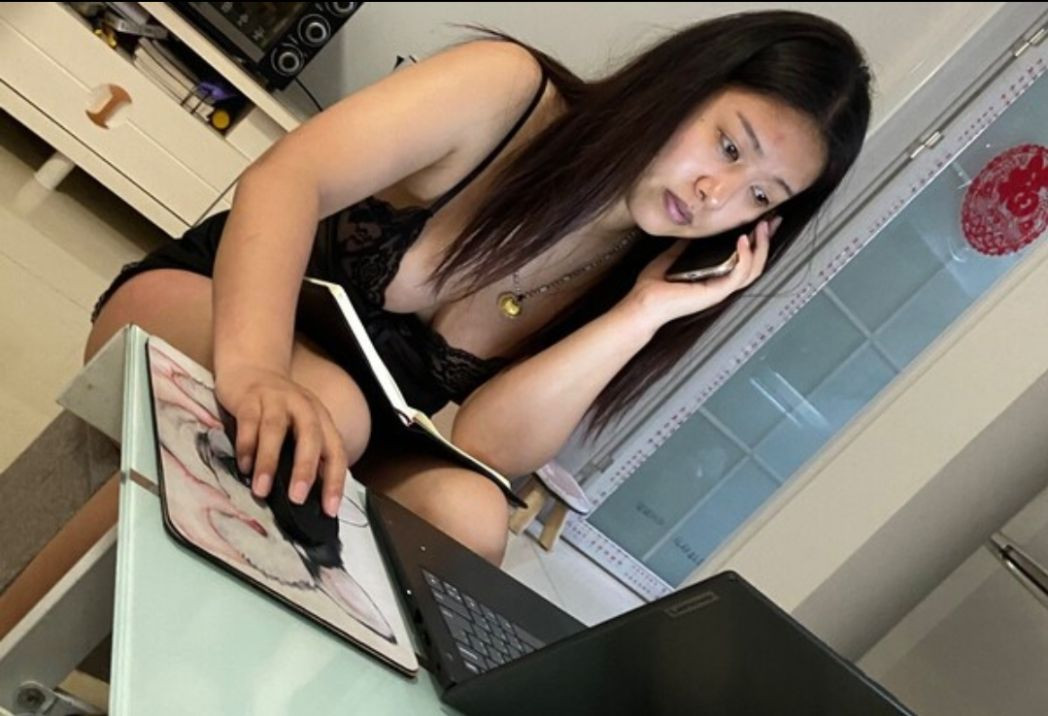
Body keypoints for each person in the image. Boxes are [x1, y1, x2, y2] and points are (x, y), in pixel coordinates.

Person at [86, 9, 872, 565]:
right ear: (682, 87)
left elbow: (485, 445)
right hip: (220, 301)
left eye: (760, 195)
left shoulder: (645, 271)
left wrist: (641, 313)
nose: (715, 196)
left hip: (358, 427)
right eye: (728, 145)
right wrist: (257, 368)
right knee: (332, 412)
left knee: (471, 519)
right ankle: (40, 627)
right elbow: (287, 178)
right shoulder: (509, 90)